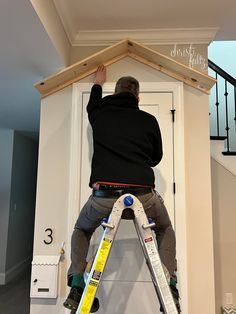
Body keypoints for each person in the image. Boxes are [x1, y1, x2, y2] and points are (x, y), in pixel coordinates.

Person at [63, 65, 181, 313]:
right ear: (138, 98)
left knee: (82, 229)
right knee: (165, 228)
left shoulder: (99, 114)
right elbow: (155, 158)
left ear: (115, 94)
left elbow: (92, 104)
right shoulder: (149, 120)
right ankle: (169, 283)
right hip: (144, 197)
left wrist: (98, 82)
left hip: (104, 196)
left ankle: (76, 283)